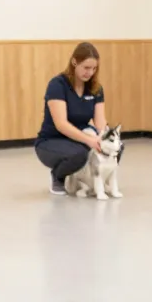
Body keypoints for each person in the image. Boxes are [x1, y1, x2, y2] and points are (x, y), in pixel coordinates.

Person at [34, 42, 110, 196]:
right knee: (79, 154)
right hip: (52, 141)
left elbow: (100, 121)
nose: (90, 72)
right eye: (86, 68)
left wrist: (105, 139)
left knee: (116, 147)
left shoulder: (96, 89)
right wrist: (89, 141)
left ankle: (98, 181)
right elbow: (61, 124)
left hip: (78, 138)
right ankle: (58, 176)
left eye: (94, 68)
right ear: (74, 62)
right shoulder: (57, 85)